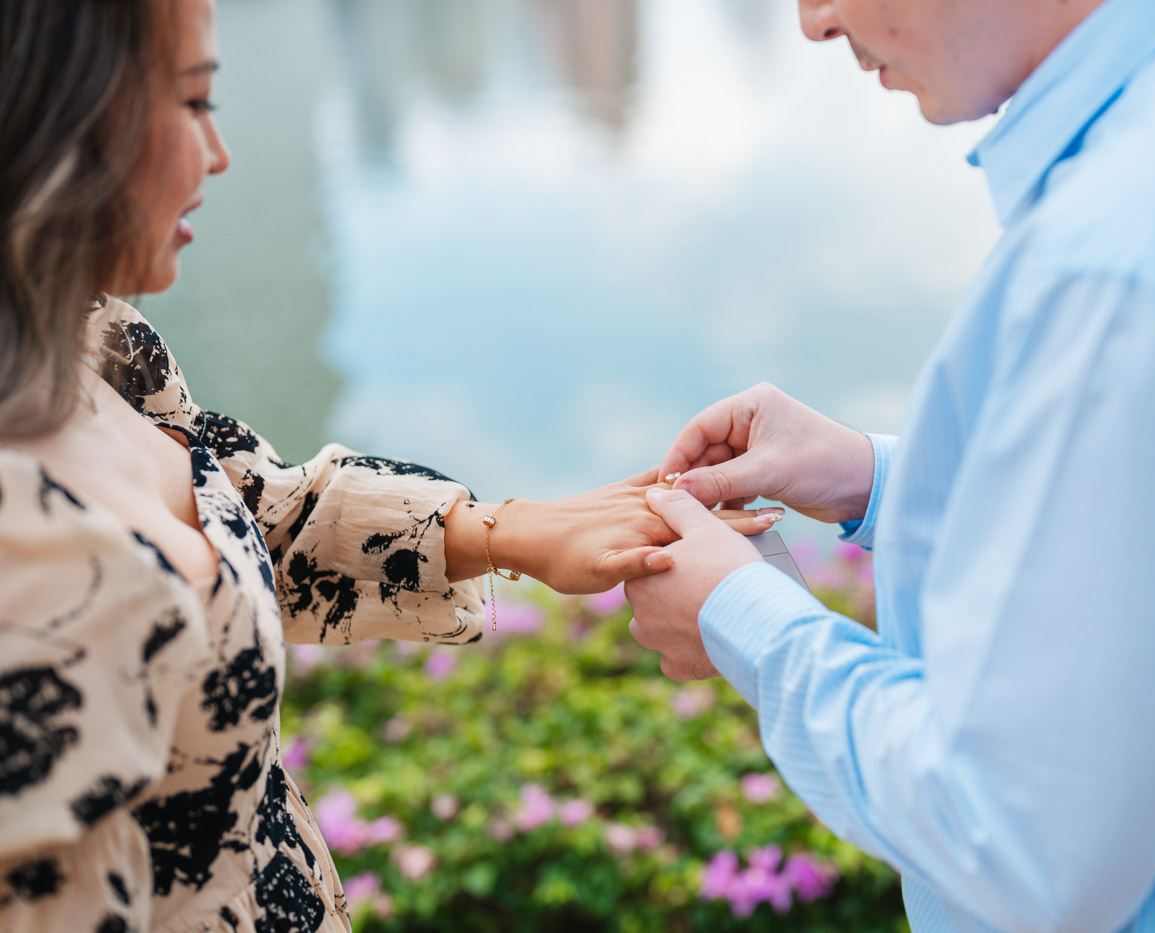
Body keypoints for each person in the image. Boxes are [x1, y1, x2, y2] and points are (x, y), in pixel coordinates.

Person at [0, 0, 780, 930]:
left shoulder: (97, 342)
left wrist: (513, 532)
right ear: (63, 113)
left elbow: (252, 511)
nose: (219, 154)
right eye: (195, 102)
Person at [625, 0, 1155, 930]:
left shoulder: (1135, 262)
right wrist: (874, 479)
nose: (814, 21)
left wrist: (736, 613)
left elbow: (1015, 839)